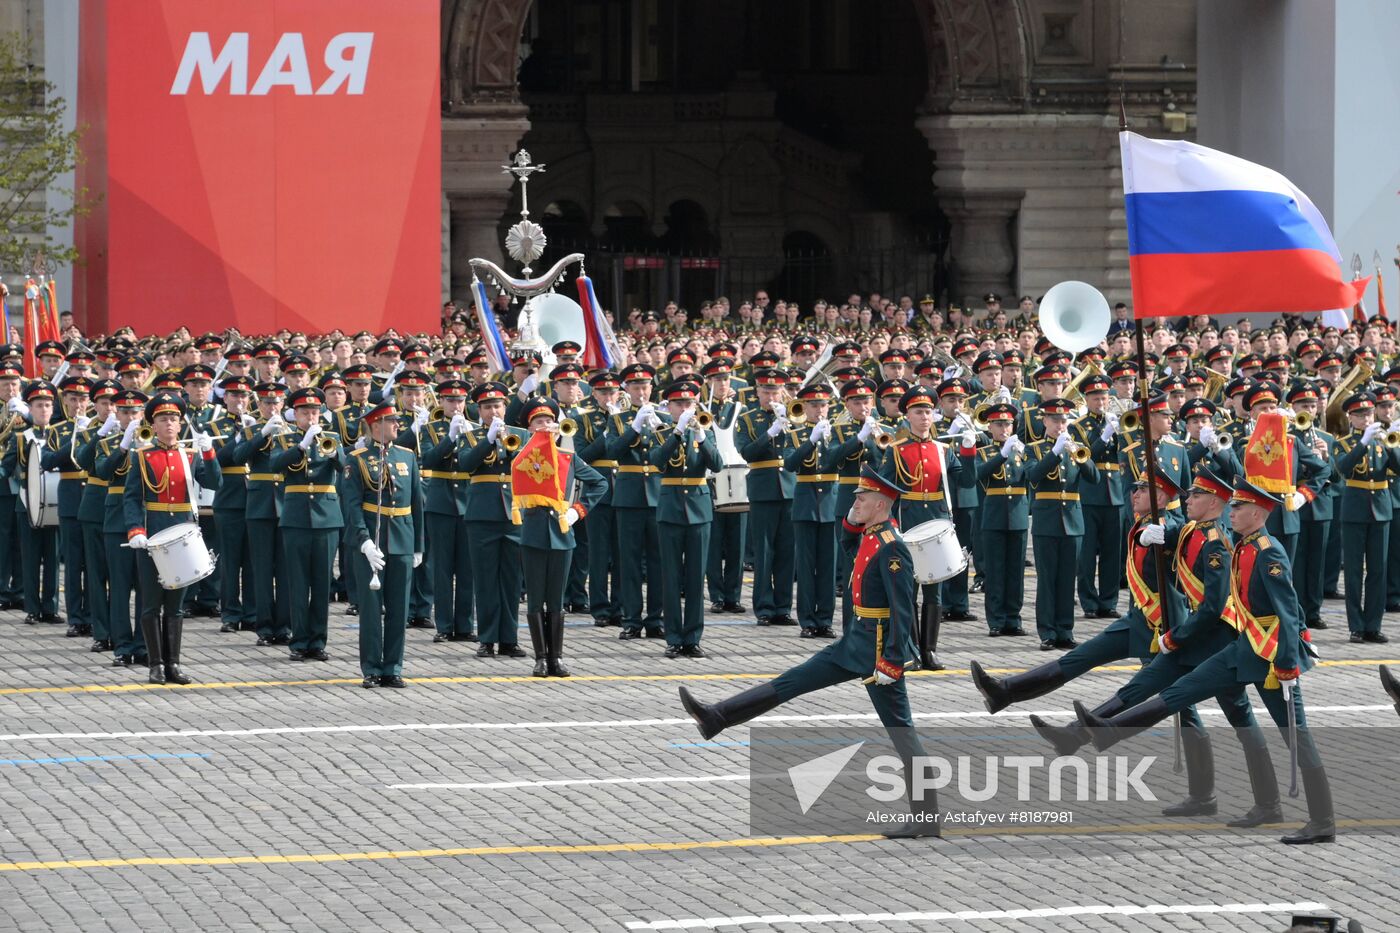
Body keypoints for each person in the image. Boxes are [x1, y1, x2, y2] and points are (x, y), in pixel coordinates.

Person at [678, 465, 940, 839]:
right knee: (792, 681)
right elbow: (848, 545)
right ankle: (717, 716)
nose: (856, 502)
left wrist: (893, 661)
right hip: (855, 640)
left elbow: (902, 610)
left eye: (862, 498)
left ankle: (927, 816)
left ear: (881, 504)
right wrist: (849, 522)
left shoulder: (893, 546)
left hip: (877, 650)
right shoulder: (872, 535)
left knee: (901, 730)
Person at [1074, 478, 1334, 846]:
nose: (1233, 511)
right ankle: (1110, 730)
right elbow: (1193, 533)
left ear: (1258, 513)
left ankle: (1323, 820)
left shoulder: (1268, 551)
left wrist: (1290, 663)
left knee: (1297, 736)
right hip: (1245, 645)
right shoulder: (1244, 544)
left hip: (1273, 657)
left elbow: (1289, 612)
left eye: (1239, 507)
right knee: (1182, 690)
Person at [1028, 468, 1284, 827]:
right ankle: (1079, 735)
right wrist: (1153, 536)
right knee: (1143, 685)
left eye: (1195, 495)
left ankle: (1267, 803)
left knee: (1240, 717)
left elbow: (1214, 606)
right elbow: (1176, 532)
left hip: (1216, 641)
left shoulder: (1217, 544)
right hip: (1194, 639)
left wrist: (1177, 636)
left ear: (1213, 502)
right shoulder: (1193, 530)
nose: (1187, 499)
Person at [123, 393, 221, 684]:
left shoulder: (189, 455)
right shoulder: (142, 456)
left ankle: (174, 664)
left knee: (176, 603)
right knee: (151, 602)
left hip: (182, 531)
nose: (169, 424)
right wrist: (135, 530)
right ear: (153, 426)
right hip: (152, 531)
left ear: (180, 425)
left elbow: (216, 483)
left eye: (174, 419)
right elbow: (131, 499)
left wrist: (211, 456)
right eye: (163, 419)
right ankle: (155, 665)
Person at [878, 385, 977, 670]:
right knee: (907, 589)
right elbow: (886, 491)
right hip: (908, 522)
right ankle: (910, 651)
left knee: (934, 589)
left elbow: (967, 481)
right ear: (907, 415)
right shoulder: (896, 451)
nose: (924, 417)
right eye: (918, 412)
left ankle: (929, 650)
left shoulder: (943, 450)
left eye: (928, 412)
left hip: (935, 521)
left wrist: (969, 450)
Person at [513, 397, 607, 675]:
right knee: (535, 597)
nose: (544, 425)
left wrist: (578, 510)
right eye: (537, 422)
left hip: (562, 531)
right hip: (532, 531)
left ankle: (557, 657)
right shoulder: (521, 458)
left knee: (556, 597)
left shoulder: (567, 458)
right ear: (529, 428)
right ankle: (540, 657)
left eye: (548, 421)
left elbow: (598, 483)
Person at [342, 400, 424, 688]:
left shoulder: (407, 456)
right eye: (392, 421)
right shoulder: (357, 458)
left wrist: (418, 545)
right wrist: (363, 542)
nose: (397, 426)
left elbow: (416, 503)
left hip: (402, 537)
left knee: (399, 607)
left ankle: (393, 666)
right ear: (376, 425)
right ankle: (372, 668)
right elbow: (352, 506)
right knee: (371, 608)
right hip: (373, 540)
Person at [270, 387, 344, 662]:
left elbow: (343, 465)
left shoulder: (332, 437)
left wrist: (331, 449)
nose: (310, 417)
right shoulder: (284, 438)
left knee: (322, 582)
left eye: (314, 412)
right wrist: (301, 446)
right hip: (297, 517)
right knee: (298, 582)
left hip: (326, 518)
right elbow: (276, 464)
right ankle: (299, 641)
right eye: (305, 412)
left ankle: (318, 641)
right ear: (295, 415)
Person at [650, 380, 722, 656]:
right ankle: (673, 638)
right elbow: (658, 461)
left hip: (699, 509)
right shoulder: (661, 431)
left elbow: (716, 464)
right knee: (670, 576)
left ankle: (692, 638)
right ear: (668, 407)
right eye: (678, 404)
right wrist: (677, 433)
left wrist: (702, 438)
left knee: (695, 578)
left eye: (688, 403)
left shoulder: (704, 432)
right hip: (670, 509)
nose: (685, 408)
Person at [1334, 392, 1399, 644]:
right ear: (1350, 417)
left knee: (1378, 571)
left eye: (1369, 413)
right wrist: (1362, 443)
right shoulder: (1344, 442)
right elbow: (1343, 468)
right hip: (1354, 511)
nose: (1366, 418)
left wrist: (1392, 444)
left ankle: (1374, 624)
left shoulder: (1384, 441)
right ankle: (1356, 626)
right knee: (1352, 572)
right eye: (1360, 415)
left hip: (1381, 510)